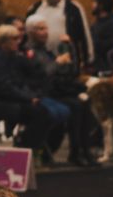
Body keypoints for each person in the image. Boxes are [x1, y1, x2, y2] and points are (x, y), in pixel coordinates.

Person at [25, 15, 97, 167]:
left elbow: (68, 71)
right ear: (30, 32)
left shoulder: (46, 51)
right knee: (76, 106)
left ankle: (85, 149)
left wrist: (69, 47)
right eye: (40, 29)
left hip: (55, 92)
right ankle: (75, 152)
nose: (45, 32)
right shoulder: (29, 53)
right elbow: (39, 75)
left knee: (84, 102)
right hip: (41, 95)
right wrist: (57, 63)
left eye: (45, 28)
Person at [0, 24, 54, 154]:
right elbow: (3, 87)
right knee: (41, 114)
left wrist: (30, 96)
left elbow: (20, 80)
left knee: (42, 111)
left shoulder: (8, 56)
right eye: (14, 39)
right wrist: (28, 98)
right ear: (4, 41)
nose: (18, 41)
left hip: (4, 99)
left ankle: (26, 149)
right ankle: (25, 151)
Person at [26, 0, 93, 72]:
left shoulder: (73, 8)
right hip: (42, 62)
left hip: (68, 61)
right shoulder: (34, 9)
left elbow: (85, 35)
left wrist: (88, 60)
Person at [90, 0, 113, 75]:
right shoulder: (97, 23)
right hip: (97, 66)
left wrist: (95, 44)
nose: (92, 5)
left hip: (107, 68)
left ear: (101, 5)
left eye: (94, 2)